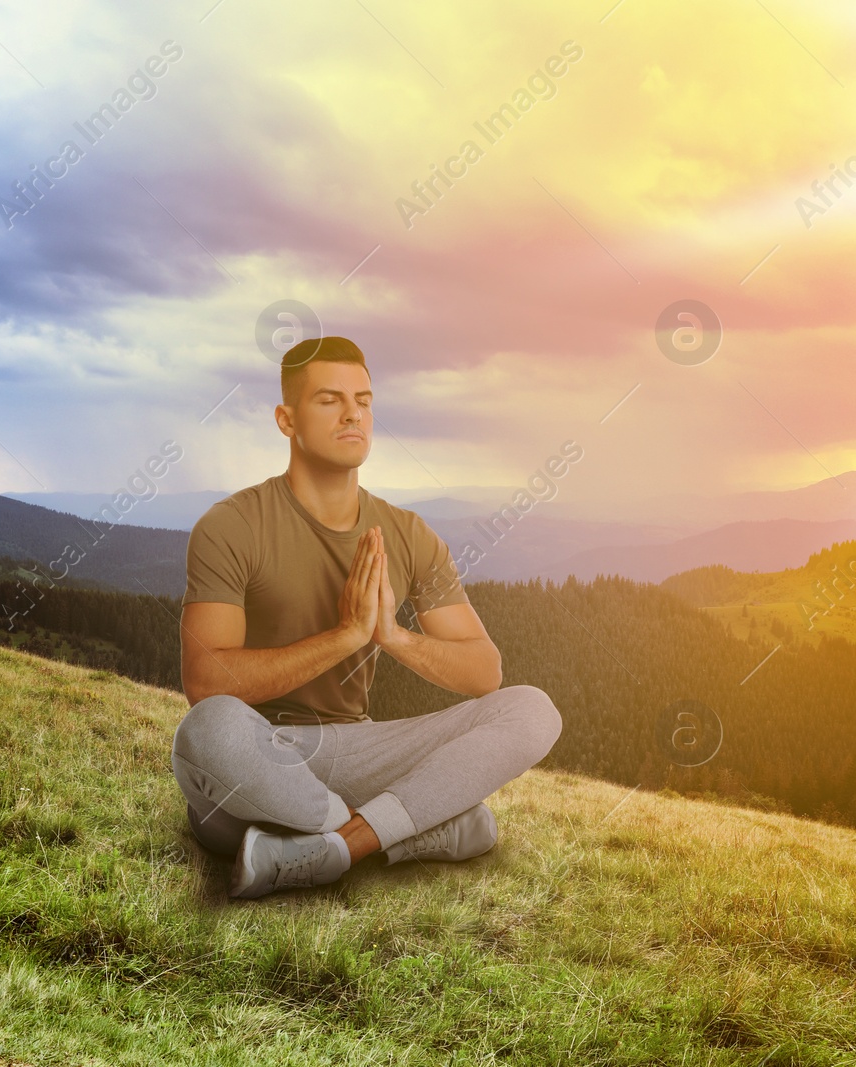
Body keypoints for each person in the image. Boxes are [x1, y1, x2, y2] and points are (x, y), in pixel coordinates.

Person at [170, 335, 563, 899]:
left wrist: (393, 637)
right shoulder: (230, 525)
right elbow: (207, 683)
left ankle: (338, 847)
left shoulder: (408, 534)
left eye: (364, 399)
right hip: (259, 759)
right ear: (287, 419)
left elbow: (484, 674)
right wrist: (345, 637)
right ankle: (410, 829)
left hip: (353, 750)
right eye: (329, 400)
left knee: (532, 709)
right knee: (205, 731)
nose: (354, 412)